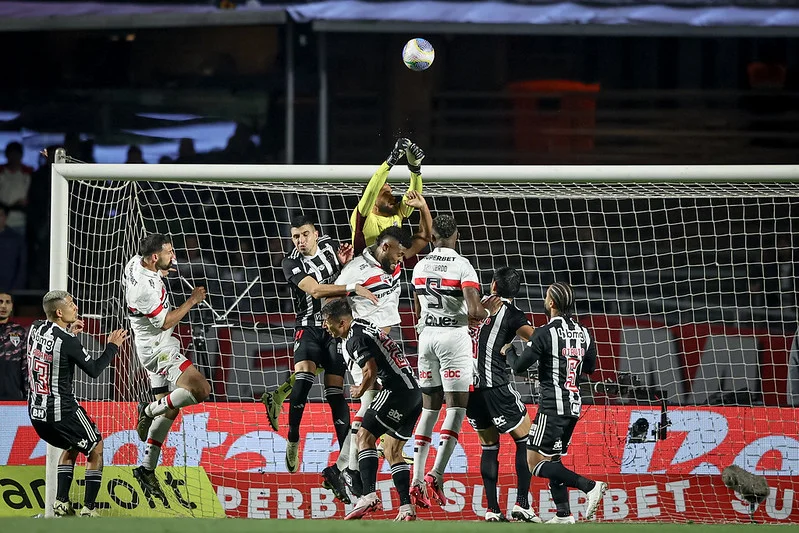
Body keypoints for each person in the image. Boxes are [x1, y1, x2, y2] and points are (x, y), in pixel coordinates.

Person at [266, 214, 376, 493]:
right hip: (308, 327)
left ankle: (346, 462)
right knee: (303, 376)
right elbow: (314, 290)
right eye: (295, 237)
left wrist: (343, 264)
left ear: (316, 234)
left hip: (333, 329)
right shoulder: (290, 262)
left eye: (304, 235)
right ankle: (293, 439)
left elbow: (336, 273)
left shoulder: (329, 245)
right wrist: (353, 288)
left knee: (335, 393)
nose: (300, 241)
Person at [504, 282, 607, 523]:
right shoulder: (584, 332)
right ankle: (563, 514)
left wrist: (508, 350)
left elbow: (519, 367)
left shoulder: (545, 331)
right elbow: (590, 368)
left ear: (551, 303)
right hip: (573, 405)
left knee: (533, 462)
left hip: (552, 406)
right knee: (554, 458)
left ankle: (589, 486)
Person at [123, 233, 212, 499]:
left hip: (149, 343)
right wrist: (192, 301)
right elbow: (164, 322)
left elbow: (152, 276)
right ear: (154, 257)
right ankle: (147, 410)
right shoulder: (145, 291)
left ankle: (146, 469)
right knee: (200, 390)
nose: (173, 256)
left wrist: (161, 273)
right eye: (169, 253)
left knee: (171, 409)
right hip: (158, 349)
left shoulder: (134, 263)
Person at [410, 214, 489, 508]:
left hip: (426, 336)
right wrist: (488, 309)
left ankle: (416, 479)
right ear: (456, 236)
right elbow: (473, 310)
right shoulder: (462, 265)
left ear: (432, 238)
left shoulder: (419, 266)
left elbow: (418, 306)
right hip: (452, 337)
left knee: (429, 410)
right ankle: (436, 474)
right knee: (456, 408)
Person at [27, 290, 127, 517]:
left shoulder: (35, 328)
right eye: (72, 304)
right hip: (63, 411)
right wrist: (112, 346)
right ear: (60, 312)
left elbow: (51, 347)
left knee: (71, 446)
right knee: (96, 448)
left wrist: (67, 332)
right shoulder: (67, 341)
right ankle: (89, 509)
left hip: (36, 414)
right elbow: (93, 370)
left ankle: (61, 503)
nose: (76, 308)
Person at [322, 299, 422, 521]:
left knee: (364, 437)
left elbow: (371, 370)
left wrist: (360, 388)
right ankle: (406, 507)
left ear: (341, 322)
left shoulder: (353, 339)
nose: (324, 326)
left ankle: (368, 495)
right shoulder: (364, 326)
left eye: (327, 322)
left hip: (397, 391)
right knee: (393, 451)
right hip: (414, 393)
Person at [467, 267, 540, 522]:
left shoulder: (474, 305)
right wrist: (514, 354)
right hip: (495, 385)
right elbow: (536, 339)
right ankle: (521, 504)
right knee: (527, 439)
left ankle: (492, 510)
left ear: (493, 286)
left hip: (468, 390)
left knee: (489, 446)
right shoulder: (512, 314)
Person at [350, 138, 425, 255]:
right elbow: (371, 191)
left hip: (391, 271)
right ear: (373, 201)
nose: (392, 197)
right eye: (386, 194)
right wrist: (391, 159)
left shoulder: (396, 214)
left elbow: (414, 196)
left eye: (391, 193)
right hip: (365, 271)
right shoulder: (364, 217)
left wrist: (415, 169)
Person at [0, 292, 27, 400]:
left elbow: (25, 366)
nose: (3, 306)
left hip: (13, 398)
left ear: (12, 307)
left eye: (7, 302)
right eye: (0, 302)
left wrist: (27, 396)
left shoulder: (19, 332)